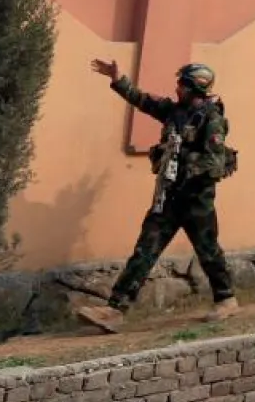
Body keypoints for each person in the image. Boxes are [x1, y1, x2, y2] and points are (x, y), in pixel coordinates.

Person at [78, 59, 239, 334]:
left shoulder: (211, 119)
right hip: (169, 195)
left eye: (182, 84)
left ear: (193, 88)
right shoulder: (175, 112)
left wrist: (180, 156)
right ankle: (115, 309)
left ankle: (226, 299)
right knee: (145, 249)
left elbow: (214, 163)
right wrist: (118, 79)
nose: (177, 88)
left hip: (196, 199)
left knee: (208, 250)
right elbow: (143, 100)